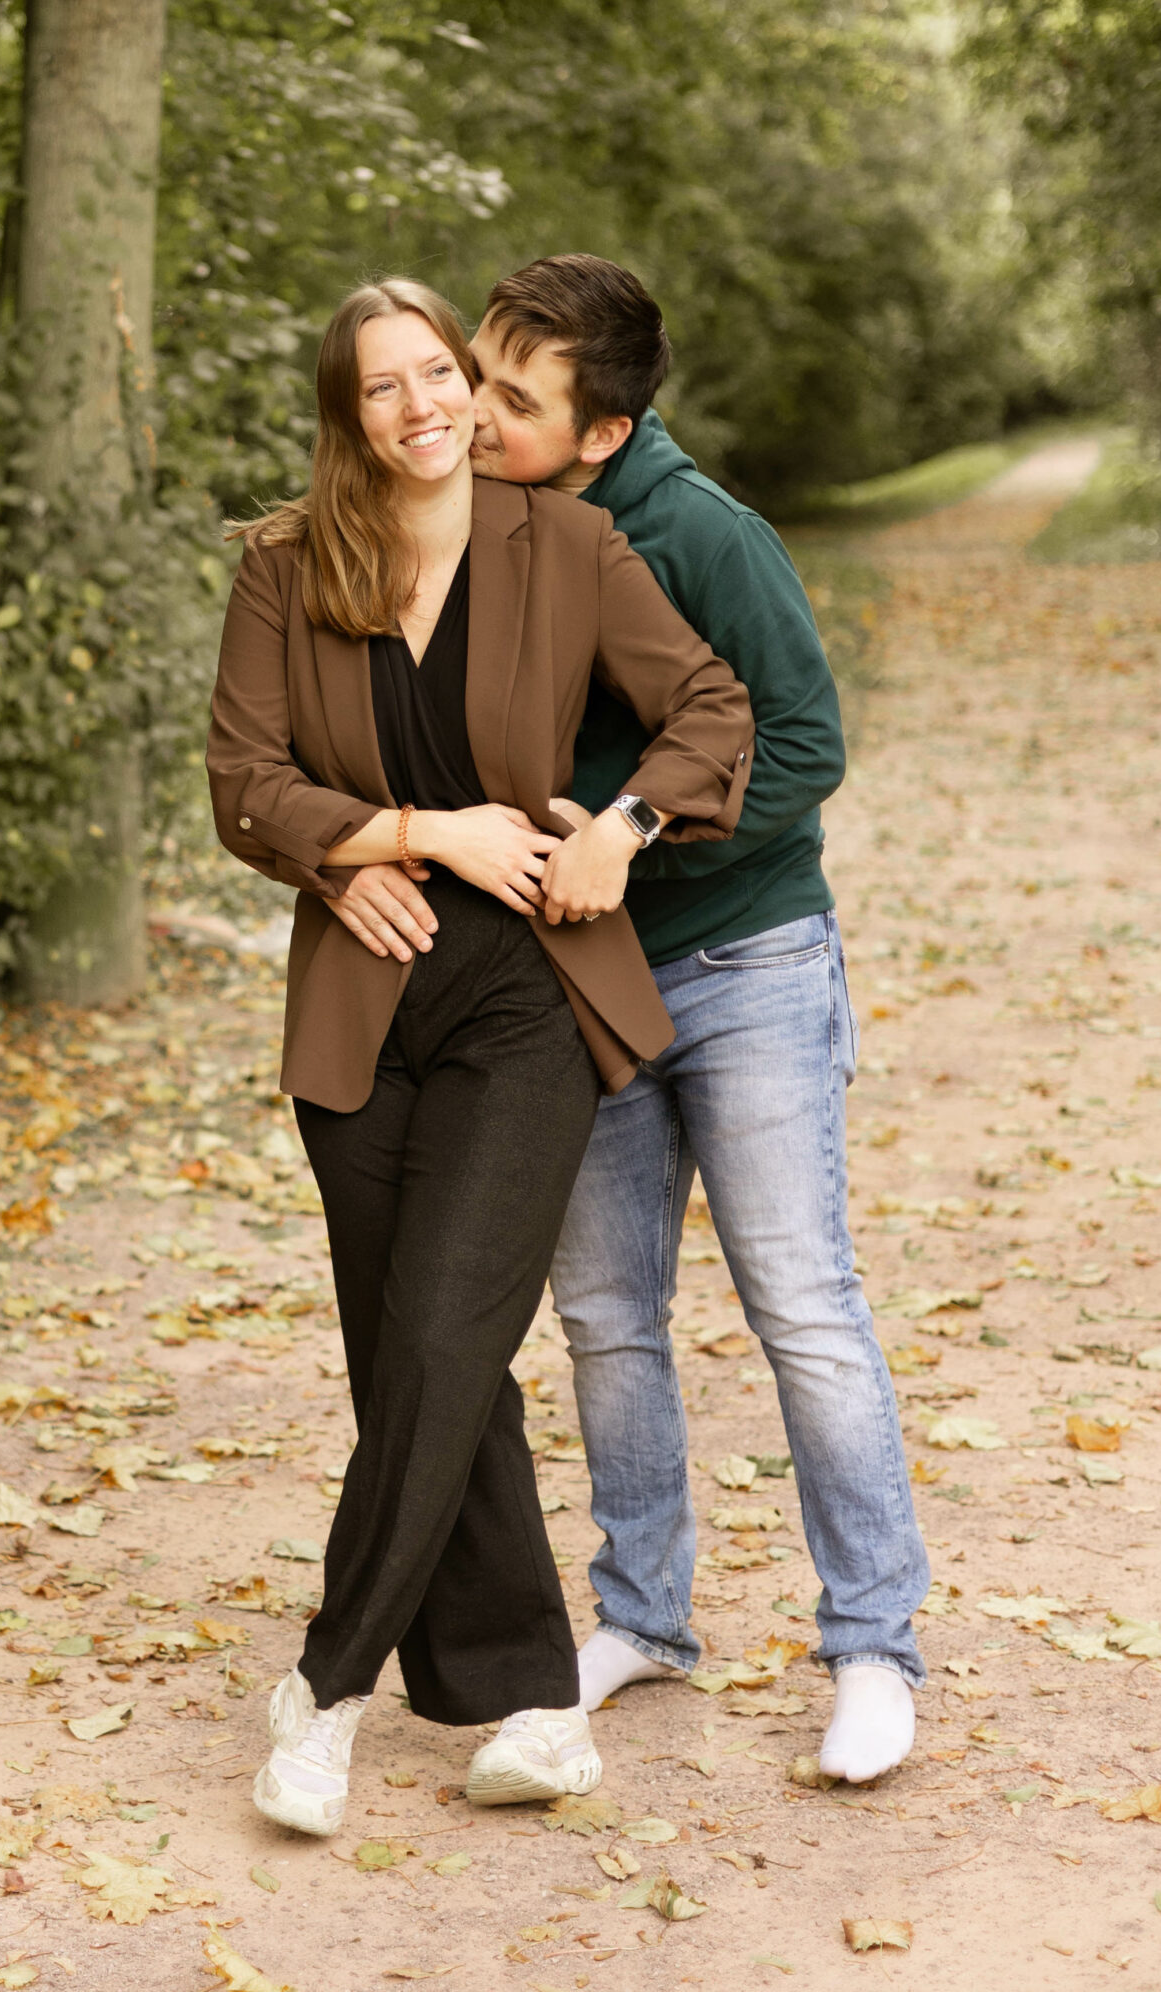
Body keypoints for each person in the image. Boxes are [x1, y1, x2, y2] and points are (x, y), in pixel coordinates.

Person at [328, 254, 929, 1787]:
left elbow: (801, 740)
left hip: (744, 970)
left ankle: (871, 1647)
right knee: (606, 1320)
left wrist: (632, 828)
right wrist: (349, 860)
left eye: (511, 400)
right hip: (570, 992)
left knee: (801, 1304)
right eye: (471, 372)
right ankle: (644, 1616)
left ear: (600, 435)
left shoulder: (702, 535)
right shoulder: (458, 529)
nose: (467, 408)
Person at [206, 276, 755, 1838]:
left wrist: (629, 828)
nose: (422, 405)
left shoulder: (569, 545)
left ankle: (323, 1694)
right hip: (367, 997)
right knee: (416, 1361)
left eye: (438, 372)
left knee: (447, 1332)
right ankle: (530, 1701)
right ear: (348, 413)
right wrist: (378, 837)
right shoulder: (281, 565)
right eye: (382, 386)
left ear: (466, 382)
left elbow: (714, 710)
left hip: (525, 993)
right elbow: (245, 781)